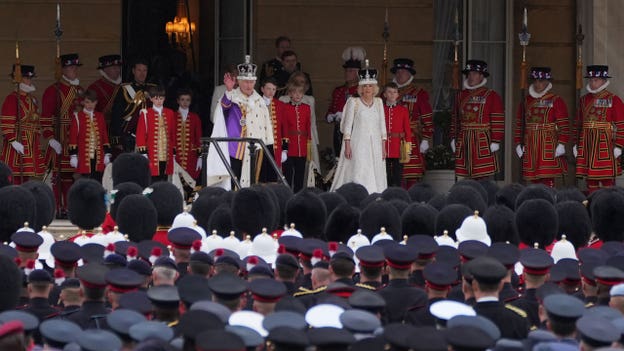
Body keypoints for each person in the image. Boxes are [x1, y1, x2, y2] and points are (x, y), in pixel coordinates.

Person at [207, 55, 274, 189]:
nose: (248, 85)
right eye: (245, 82)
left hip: (256, 149)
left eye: (251, 82)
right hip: (235, 149)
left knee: (254, 184)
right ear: (239, 81)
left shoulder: (259, 100)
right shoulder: (232, 96)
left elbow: (267, 126)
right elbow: (223, 107)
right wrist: (229, 90)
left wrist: (269, 147)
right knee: (234, 184)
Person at [330, 60, 387, 194]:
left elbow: (382, 125)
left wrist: (384, 145)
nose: (368, 89)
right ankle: (358, 194)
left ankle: (376, 194)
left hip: (376, 144)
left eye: (370, 86)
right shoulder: (353, 102)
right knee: (359, 168)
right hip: (359, 142)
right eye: (365, 86)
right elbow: (347, 127)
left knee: (375, 169)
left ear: (374, 88)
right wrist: (347, 145)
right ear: (361, 88)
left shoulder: (379, 102)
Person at [41, 53, 85, 217]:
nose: (74, 70)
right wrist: (50, 138)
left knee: (70, 176)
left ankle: (68, 206)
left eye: (75, 67)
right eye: (71, 67)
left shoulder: (80, 90)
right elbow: (45, 116)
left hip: (76, 137)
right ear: (63, 70)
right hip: (60, 137)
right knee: (57, 175)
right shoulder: (53, 90)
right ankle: (57, 207)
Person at [514, 67, 570, 187]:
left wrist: (562, 143)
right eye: (535, 81)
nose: (537, 84)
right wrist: (518, 143)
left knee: (547, 176)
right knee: (533, 178)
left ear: (547, 82)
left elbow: (564, 125)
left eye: (541, 81)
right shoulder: (526, 101)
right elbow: (520, 124)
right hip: (530, 142)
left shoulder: (556, 100)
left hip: (548, 142)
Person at [450, 59, 504, 180]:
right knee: (466, 175)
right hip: (464, 138)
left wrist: (496, 140)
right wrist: (453, 137)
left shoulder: (492, 95)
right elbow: (455, 118)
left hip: (482, 139)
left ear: (481, 76)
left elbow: (497, 119)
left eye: (474, 74)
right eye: (469, 74)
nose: (471, 77)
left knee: (483, 175)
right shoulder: (460, 95)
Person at [575, 65, 624, 193]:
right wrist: (577, 144)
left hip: (605, 144)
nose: (592, 83)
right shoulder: (584, 100)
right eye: (590, 80)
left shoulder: (614, 99)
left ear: (603, 80)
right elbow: (578, 124)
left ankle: (609, 207)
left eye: (595, 80)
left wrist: (619, 146)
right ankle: (592, 206)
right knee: (590, 180)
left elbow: (621, 125)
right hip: (587, 143)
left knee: (607, 180)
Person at [389, 58, 433, 188]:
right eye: (397, 71)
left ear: (410, 74)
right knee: (393, 173)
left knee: (410, 173)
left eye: (403, 71)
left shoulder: (419, 93)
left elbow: (427, 117)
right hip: (391, 138)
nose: (400, 74)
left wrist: (426, 138)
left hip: (409, 139)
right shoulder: (387, 93)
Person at [0, 64, 45, 184]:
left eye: (30, 78)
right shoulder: (12, 99)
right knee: (14, 176)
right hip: (17, 141)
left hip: (30, 141)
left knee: (26, 176)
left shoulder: (32, 99)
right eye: (26, 78)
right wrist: (13, 141)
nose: (29, 81)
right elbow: (6, 122)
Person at [279, 71, 320, 181]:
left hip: (304, 142)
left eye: (302, 82)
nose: (299, 84)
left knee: (302, 172)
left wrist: (313, 141)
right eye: (296, 82)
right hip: (289, 142)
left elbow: (312, 122)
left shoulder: (309, 102)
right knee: (287, 171)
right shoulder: (283, 101)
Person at [326, 47, 365, 158]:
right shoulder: (338, 90)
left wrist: (346, 116)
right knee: (339, 157)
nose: (347, 73)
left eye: (351, 71)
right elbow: (332, 108)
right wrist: (330, 115)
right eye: (346, 71)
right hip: (338, 130)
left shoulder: (362, 90)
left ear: (358, 73)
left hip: (355, 130)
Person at [110, 58, 155, 152]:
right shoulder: (124, 89)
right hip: (129, 135)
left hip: (151, 134)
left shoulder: (154, 89)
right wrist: (117, 140)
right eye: (139, 70)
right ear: (133, 71)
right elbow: (116, 115)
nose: (142, 73)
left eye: (144, 70)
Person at [68, 89, 111, 183]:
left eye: (93, 102)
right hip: (84, 156)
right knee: (85, 181)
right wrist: (73, 155)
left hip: (98, 155)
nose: (90, 105)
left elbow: (104, 135)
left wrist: (107, 153)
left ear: (96, 102)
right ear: (83, 102)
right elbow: (73, 137)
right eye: (87, 102)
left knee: (98, 180)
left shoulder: (100, 116)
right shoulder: (77, 116)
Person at [135, 85, 177, 182]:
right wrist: (144, 153)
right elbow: (140, 134)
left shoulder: (170, 113)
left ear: (164, 99)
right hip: (151, 155)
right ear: (151, 99)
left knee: (165, 178)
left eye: (161, 98)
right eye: (156, 98)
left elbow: (172, 134)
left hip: (167, 154)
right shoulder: (145, 113)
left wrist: (174, 152)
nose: (159, 101)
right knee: (153, 179)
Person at [282, 83, 311, 192]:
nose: (298, 95)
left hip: (302, 146)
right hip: (290, 146)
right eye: (295, 92)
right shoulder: (285, 107)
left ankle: (298, 195)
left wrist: (309, 143)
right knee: (288, 174)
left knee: (300, 174)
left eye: (300, 92)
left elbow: (308, 126)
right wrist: (284, 147)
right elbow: (283, 127)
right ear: (290, 94)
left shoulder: (307, 108)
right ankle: (287, 194)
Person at [383, 82, 412, 187]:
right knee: (384, 175)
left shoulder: (403, 110)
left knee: (398, 175)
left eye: (394, 92)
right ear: (385, 94)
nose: (392, 94)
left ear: (397, 95)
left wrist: (408, 148)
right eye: (389, 92)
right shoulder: (380, 109)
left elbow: (407, 130)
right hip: (384, 147)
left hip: (398, 147)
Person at [259, 77, 287, 182]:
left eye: (274, 89)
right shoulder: (255, 102)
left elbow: (284, 128)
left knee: (272, 175)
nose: (271, 92)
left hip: (274, 145)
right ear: (262, 89)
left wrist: (285, 149)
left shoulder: (280, 105)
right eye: (268, 88)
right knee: (259, 173)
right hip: (260, 144)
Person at [87, 54, 122, 132]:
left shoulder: (123, 86)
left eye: (118, 67)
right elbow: (89, 114)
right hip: (101, 130)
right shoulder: (94, 88)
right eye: (114, 67)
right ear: (105, 69)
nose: (117, 70)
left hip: (120, 130)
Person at [175, 89, 203, 180]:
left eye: (187, 100)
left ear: (190, 102)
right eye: (182, 99)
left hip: (191, 156)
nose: (185, 102)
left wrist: (200, 156)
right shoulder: (172, 116)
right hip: (176, 155)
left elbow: (198, 137)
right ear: (178, 101)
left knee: (190, 181)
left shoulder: (195, 117)